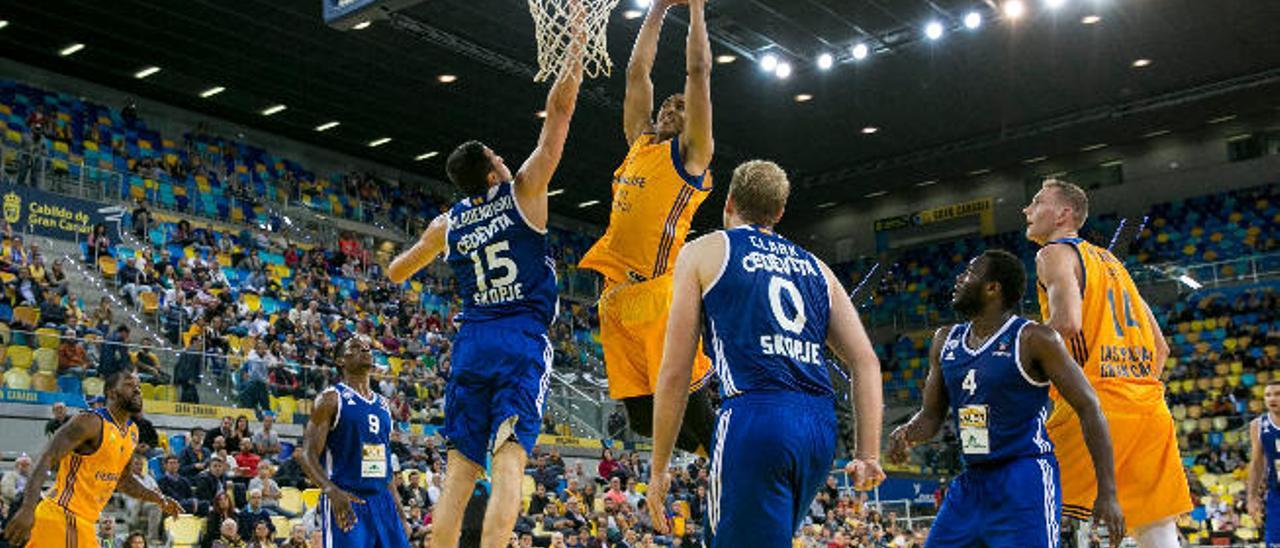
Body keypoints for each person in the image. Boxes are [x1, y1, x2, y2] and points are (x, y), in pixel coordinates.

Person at [384, 20, 586, 548]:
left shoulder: (446, 224)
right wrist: (578, 43)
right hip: (520, 338)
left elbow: (396, 271)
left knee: (458, 475)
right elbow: (560, 112)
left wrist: (414, 259)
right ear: (493, 173)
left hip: (471, 341)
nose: (503, 157)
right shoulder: (524, 190)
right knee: (511, 460)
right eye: (497, 156)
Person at [643, 160, 885, 546]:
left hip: (756, 416)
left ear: (729, 201)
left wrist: (658, 469)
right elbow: (865, 361)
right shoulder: (817, 267)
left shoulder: (704, 251)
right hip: (819, 429)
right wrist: (868, 452)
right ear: (779, 213)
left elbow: (675, 371)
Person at [886, 249, 1126, 547]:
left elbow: (1089, 407)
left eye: (970, 272)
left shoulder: (1035, 339)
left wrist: (1108, 492)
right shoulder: (944, 340)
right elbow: (931, 417)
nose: (959, 278)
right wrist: (907, 433)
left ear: (992, 287)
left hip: (1024, 478)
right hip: (972, 481)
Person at [578, 0, 717, 456]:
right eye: (667, 108)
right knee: (641, 419)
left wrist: (695, 11)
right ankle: (705, 457)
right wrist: (657, 9)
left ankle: (725, 457)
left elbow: (698, 74)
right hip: (614, 297)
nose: (669, 112)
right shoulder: (639, 143)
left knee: (693, 411)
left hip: (658, 294)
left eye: (680, 111)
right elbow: (637, 74)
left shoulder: (690, 158)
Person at [1025, 179, 1192, 546]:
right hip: (1149, 411)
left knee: (1019, 494)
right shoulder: (1114, 263)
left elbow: (1066, 323)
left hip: (1095, 407)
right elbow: (1160, 348)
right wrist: (1130, 387)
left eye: (1036, 202)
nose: (1027, 210)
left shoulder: (1053, 253)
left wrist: (1019, 361)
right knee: (1158, 533)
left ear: (1063, 215)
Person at [2, 368, 181, 547]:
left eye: (139, 386)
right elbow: (46, 458)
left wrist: (159, 499)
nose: (137, 390)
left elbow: (124, 481)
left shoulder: (132, 432)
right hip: (62, 516)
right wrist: (27, 507)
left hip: (84, 523)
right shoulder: (89, 422)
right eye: (129, 385)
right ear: (112, 393)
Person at [295, 335, 411, 547]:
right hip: (347, 499)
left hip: (383, 502)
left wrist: (400, 514)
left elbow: (385, 466)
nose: (366, 350)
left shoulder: (384, 405)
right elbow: (306, 454)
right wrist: (331, 490)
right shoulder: (330, 399)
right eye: (356, 348)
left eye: (367, 347)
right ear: (340, 361)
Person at [1247, 380, 1280, 545]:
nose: (1272, 398)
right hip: (1276, 493)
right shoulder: (1258, 425)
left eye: (1277, 394)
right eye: (1268, 395)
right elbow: (1257, 463)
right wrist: (1252, 497)